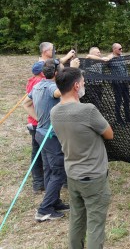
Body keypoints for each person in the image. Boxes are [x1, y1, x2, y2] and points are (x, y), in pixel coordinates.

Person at [50, 67, 113, 249]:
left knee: (76, 219)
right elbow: (109, 134)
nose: (85, 84)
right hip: (93, 177)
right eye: (83, 82)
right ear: (76, 86)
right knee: (95, 224)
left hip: (73, 175)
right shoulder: (87, 110)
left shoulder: (54, 112)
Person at [23, 59, 70, 221]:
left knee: (49, 170)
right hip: (50, 136)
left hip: (41, 133)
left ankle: (55, 202)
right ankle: (44, 210)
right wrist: (73, 73)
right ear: (56, 73)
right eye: (62, 70)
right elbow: (60, 93)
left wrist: (40, 119)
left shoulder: (37, 85)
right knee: (58, 172)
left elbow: (26, 103)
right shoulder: (51, 87)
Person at [26, 62, 46, 194]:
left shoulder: (32, 80)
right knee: (39, 153)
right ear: (42, 72)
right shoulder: (39, 82)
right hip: (37, 123)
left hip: (34, 123)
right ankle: (38, 182)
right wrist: (39, 119)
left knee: (37, 152)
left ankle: (39, 182)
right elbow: (28, 104)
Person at [107, 43, 130, 124]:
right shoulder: (110, 58)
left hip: (125, 82)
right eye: (120, 49)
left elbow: (125, 68)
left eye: (121, 48)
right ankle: (118, 118)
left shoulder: (122, 57)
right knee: (118, 100)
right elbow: (104, 62)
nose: (121, 50)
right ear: (114, 49)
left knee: (127, 99)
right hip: (116, 83)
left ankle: (128, 117)